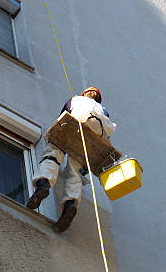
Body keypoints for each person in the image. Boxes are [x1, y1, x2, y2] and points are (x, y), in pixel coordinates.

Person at [27, 87, 117, 232]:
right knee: (76, 170)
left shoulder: (76, 99)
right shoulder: (103, 110)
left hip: (77, 121)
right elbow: (106, 136)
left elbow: (63, 116)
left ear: (85, 95)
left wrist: (54, 135)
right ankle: (70, 203)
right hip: (96, 134)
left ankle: (43, 183)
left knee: (54, 152)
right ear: (98, 99)